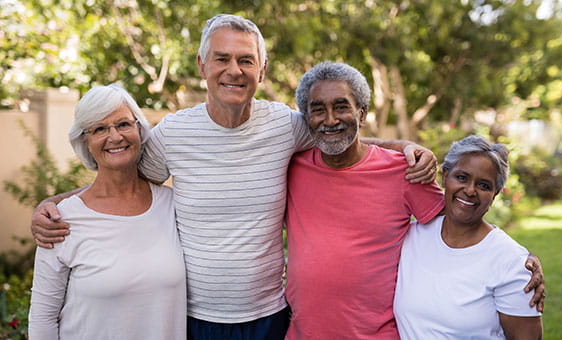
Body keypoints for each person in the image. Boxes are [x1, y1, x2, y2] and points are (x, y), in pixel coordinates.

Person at [29, 14, 438, 340]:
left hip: (270, 315)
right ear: (202, 65)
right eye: (222, 59)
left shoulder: (284, 125)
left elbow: (339, 134)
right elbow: (119, 178)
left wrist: (404, 147)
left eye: (245, 60)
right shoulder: (173, 133)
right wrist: (58, 203)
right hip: (193, 318)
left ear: (262, 68)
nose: (234, 70)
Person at [284, 62, 544, 339]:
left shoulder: (401, 171)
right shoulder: (291, 167)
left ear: (361, 113)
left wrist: (515, 259)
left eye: (341, 106)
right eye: (318, 109)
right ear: (306, 117)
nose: (331, 119)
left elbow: (463, 213)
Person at [27, 84, 187, 340]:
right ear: (85, 141)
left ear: (139, 129)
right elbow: (43, 318)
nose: (114, 137)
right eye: (100, 129)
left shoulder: (172, 206)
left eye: (123, 124)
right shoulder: (61, 219)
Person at [393, 135, 543, 339]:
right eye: (462, 178)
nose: (470, 191)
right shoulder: (412, 236)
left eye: (484, 185)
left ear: (495, 194)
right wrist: (405, 145)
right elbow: (349, 145)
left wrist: (519, 259)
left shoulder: (512, 262)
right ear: (445, 176)